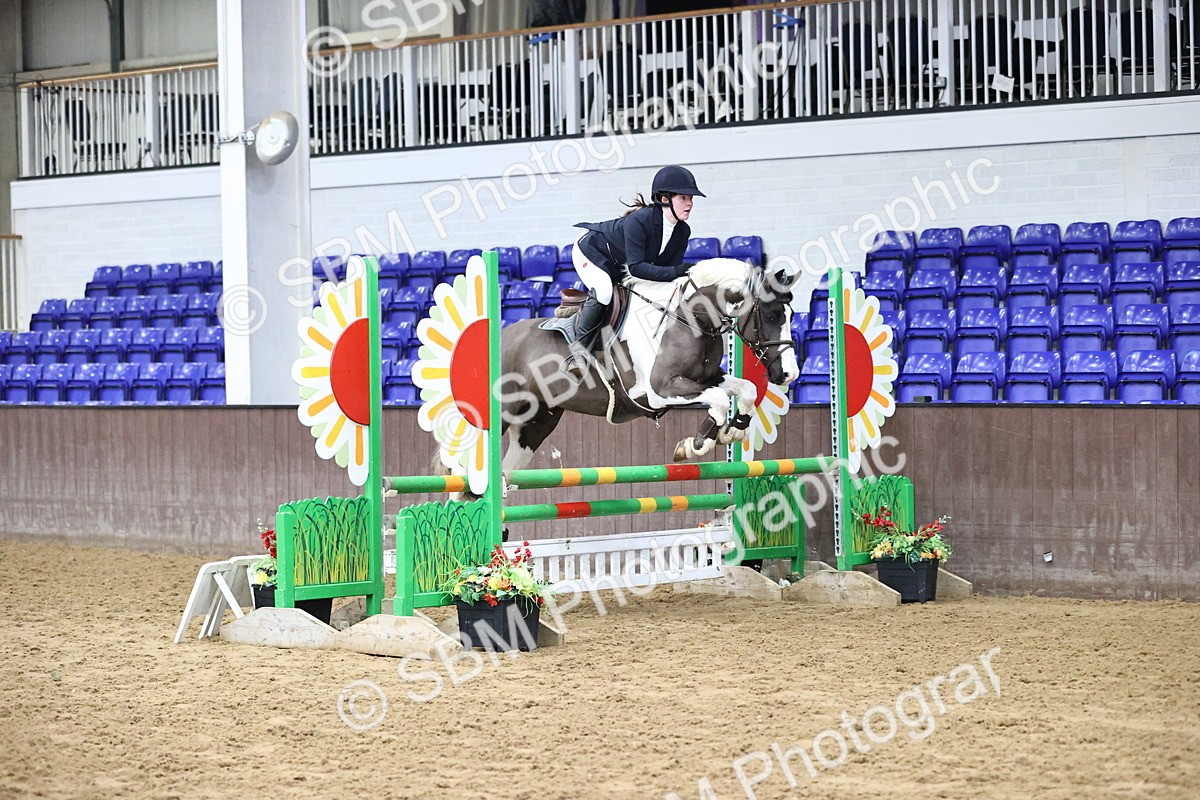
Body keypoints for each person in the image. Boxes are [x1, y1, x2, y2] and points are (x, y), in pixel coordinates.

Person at [564, 164, 705, 379]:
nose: (690, 204)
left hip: (621, 263)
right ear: (665, 199)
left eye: (691, 199)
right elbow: (638, 269)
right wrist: (679, 271)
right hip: (591, 252)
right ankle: (577, 354)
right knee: (604, 291)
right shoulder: (640, 221)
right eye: (684, 198)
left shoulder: (683, 231)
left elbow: (668, 272)